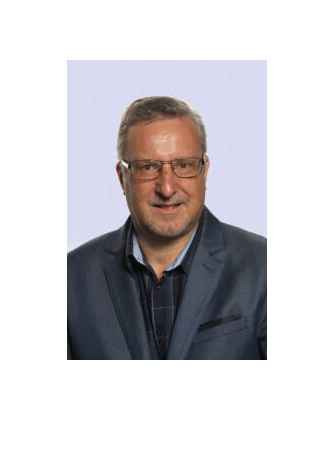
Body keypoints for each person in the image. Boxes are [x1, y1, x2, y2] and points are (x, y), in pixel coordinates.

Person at [67, 96, 266, 359]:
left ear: (204, 171)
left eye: (183, 165)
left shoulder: (264, 267)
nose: (167, 188)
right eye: (148, 167)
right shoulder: (70, 279)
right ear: (122, 177)